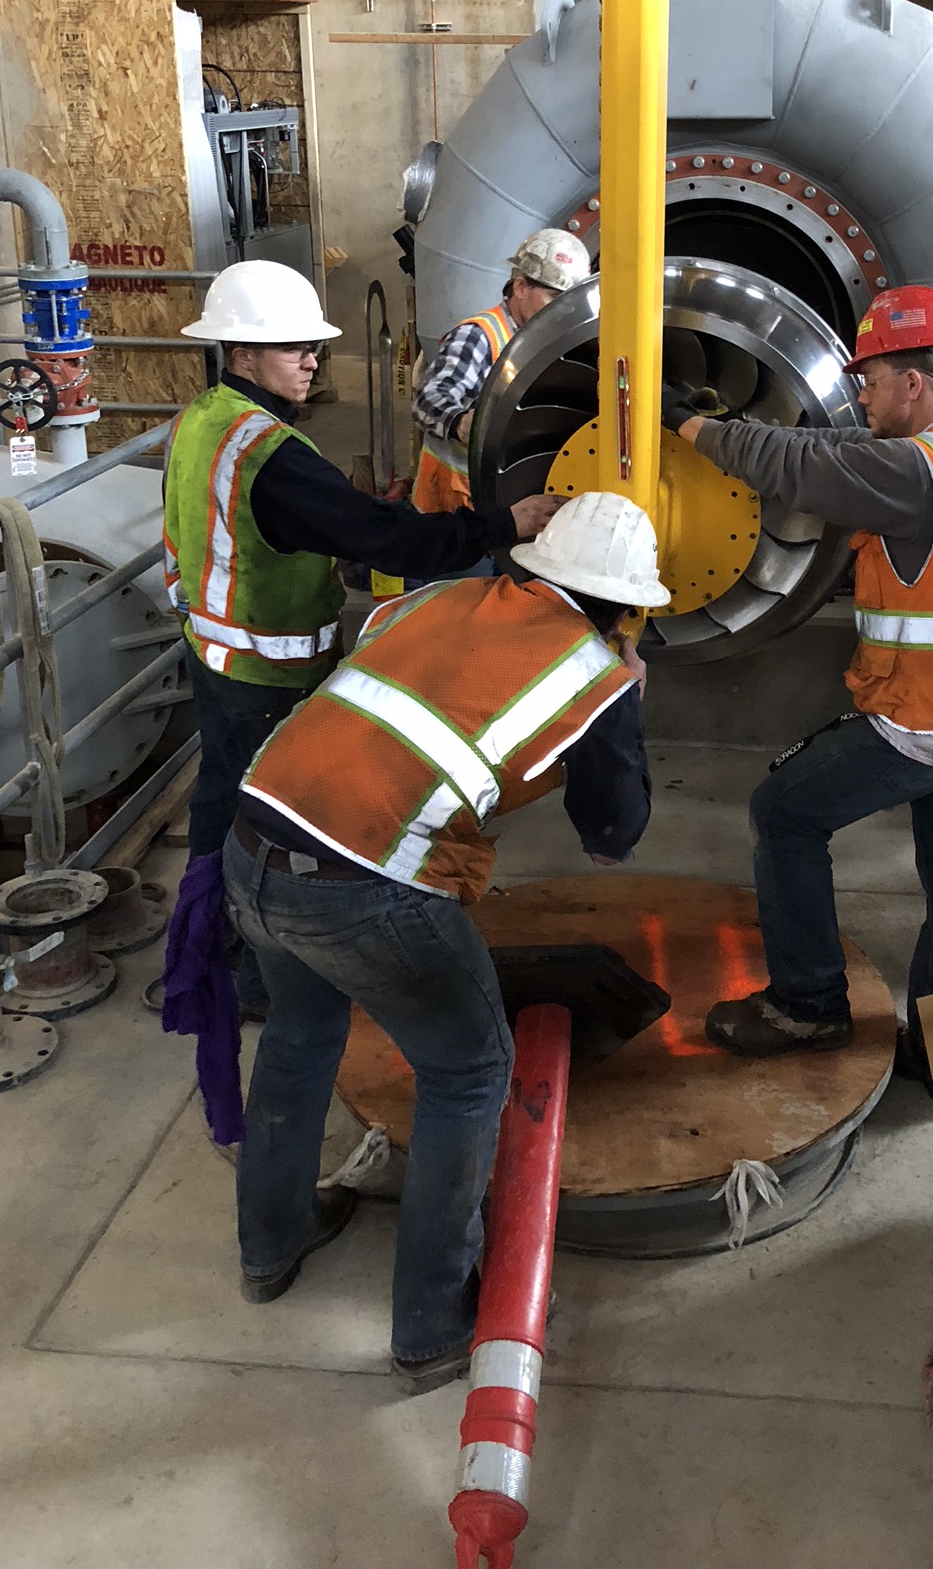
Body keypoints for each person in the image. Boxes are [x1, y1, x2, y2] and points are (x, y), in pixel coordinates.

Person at [225, 491, 666, 1394]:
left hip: (251, 837)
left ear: (536, 563)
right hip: (365, 889)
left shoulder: (429, 599)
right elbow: (613, 834)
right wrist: (627, 702)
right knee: (467, 1072)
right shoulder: (598, 676)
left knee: (301, 1037)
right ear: (630, 605)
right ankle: (430, 1322)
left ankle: (270, 1246)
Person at [663, 285, 933, 1086]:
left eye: (869, 381)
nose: (860, 397)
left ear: (913, 381)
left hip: (931, 724)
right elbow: (840, 461)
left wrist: (691, 427)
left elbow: (799, 466)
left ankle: (808, 1004)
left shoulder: (913, 471)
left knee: (784, 814)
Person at [163, 259, 562, 884]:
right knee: (269, 824)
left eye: (314, 347)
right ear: (241, 352)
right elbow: (392, 545)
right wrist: (507, 524)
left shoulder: (202, 417)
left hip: (208, 650)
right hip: (267, 674)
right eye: (294, 348)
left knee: (219, 792)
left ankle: (200, 942)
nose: (312, 361)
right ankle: (252, 959)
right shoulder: (273, 454)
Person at [412, 227, 592, 514]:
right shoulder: (480, 336)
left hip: (510, 504)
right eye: (552, 297)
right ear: (520, 287)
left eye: (567, 302)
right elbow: (427, 401)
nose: (562, 311)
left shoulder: (545, 340)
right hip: (455, 507)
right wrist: (461, 422)